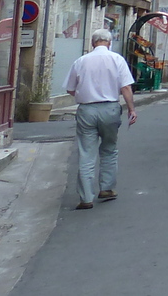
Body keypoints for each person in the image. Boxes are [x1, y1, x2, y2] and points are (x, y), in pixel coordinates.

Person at [62, 28, 137, 210]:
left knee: (86, 153)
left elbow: (70, 89)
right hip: (110, 108)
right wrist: (131, 110)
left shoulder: (81, 61)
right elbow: (126, 87)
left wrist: (84, 94)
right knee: (109, 149)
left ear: (93, 43)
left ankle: (86, 197)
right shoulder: (117, 59)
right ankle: (107, 188)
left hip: (87, 109)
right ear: (109, 43)